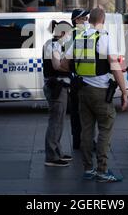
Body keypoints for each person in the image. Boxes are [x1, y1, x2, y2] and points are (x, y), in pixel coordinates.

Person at [61, 8, 128, 182]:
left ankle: (88, 168)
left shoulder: (77, 37)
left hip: (82, 90)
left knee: (86, 130)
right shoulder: (103, 37)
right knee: (105, 127)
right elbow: (114, 65)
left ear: (89, 20)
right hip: (100, 91)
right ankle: (102, 170)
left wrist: (76, 72)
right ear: (103, 19)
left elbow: (63, 63)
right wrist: (124, 91)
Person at [42, 20, 74, 167]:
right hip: (56, 86)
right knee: (55, 122)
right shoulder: (54, 45)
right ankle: (52, 156)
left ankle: (57, 152)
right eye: (68, 32)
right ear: (62, 33)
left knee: (59, 121)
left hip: (58, 86)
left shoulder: (54, 44)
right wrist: (72, 70)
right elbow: (56, 65)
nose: (70, 35)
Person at [68, 9, 90, 150]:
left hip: (74, 79)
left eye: (87, 18)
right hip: (80, 80)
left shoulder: (70, 35)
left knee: (76, 113)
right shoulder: (79, 35)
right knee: (84, 113)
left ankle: (77, 141)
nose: (86, 21)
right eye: (83, 19)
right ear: (76, 20)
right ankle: (84, 142)